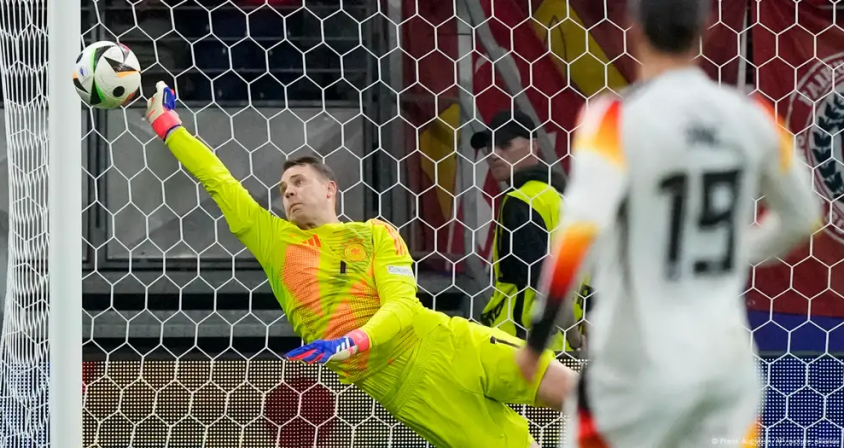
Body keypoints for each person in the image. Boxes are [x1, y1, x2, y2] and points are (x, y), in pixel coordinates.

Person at [146, 81, 578, 448]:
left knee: (575, 391)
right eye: (282, 189)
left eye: (298, 182)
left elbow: (403, 305)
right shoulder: (277, 242)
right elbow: (219, 181)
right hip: (413, 388)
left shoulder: (376, 233)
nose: (289, 193)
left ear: (330, 189)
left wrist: (350, 342)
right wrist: (170, 128)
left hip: (450, 342)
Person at [514, 0, 822, 447]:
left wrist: (538, 339)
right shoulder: (751, 116)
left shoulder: (615, 120)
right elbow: (804, 214)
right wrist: (738, 250)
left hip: (636, 368)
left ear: (632, 29)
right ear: (706, 29)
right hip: (725, 368)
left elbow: (580, 231)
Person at [472, 109, 588, 353]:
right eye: (489, 146)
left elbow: (545, 283)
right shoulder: (563, 199)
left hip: (521, 347)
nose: (493, 154)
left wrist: (576, 338)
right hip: (560, 347)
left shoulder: (521, 201)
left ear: (534, 146)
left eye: (504, 144)